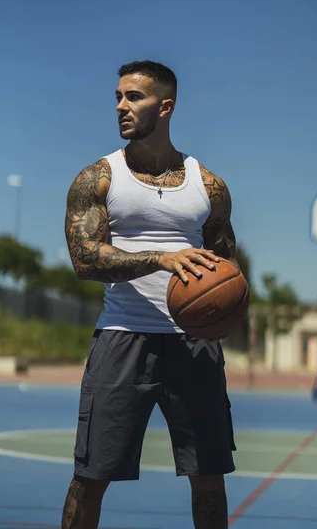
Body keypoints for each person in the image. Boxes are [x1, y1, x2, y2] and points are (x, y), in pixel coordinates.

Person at [61, 60, 239, 529]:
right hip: (122, 337)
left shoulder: (208, 186)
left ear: (165, 107)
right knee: (90, 476)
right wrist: (161, 258)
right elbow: (85, 260)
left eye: (133, 97)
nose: (121, 105)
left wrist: (221, 314)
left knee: (209, 477)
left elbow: (227, 267)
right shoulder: (97, 177)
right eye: (118, 96)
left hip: (194, 344)